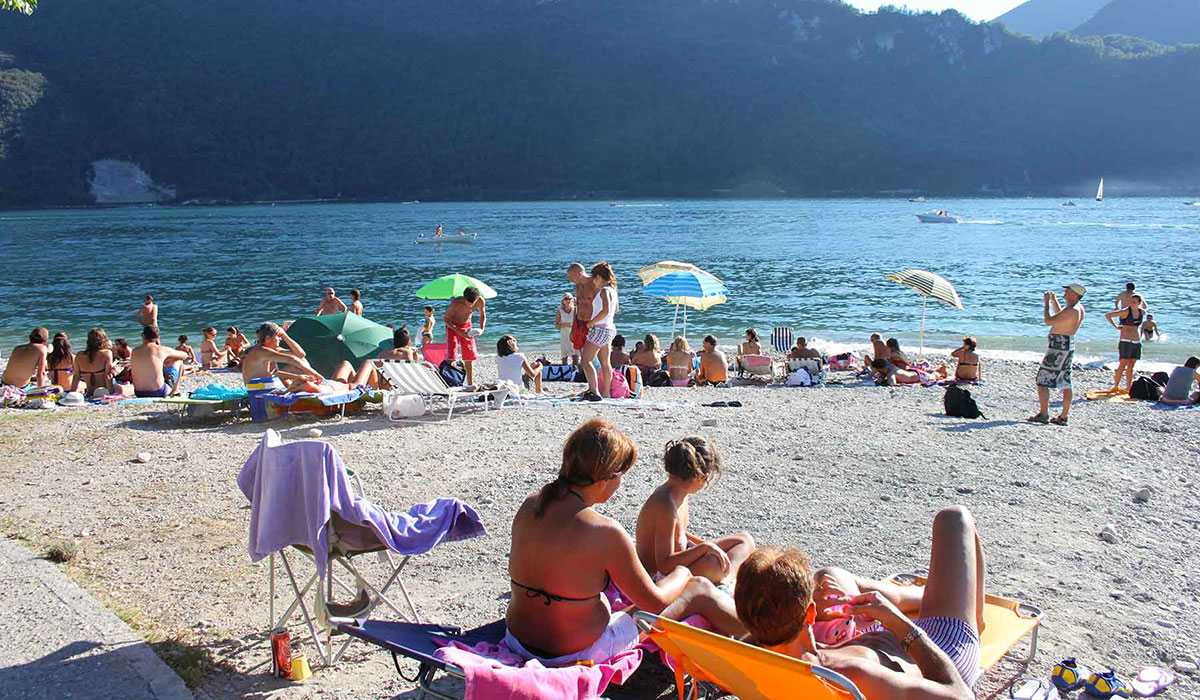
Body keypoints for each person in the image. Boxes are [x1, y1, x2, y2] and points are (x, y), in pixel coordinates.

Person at [504, 419, 744, 665]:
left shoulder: (531, 505)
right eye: (621, 476)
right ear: (605, 480)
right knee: (699, 589)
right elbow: (655, 601)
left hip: (517, 639)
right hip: (575, 652)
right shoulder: (605, 531)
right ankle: (761, 636)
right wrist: (683, 574)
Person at [734, 506, 987, 700]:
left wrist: (809, 616)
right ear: (809, 612)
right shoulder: (849, 675)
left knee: (831, 574)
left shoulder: (748, 657)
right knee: (954, 518)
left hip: (882, 641)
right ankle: (974, 617)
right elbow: (961, 696)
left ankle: (921, 596)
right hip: (944, 649)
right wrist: (900, 625)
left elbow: (765, 631)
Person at [636, 436, 754, 585]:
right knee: (713, 563)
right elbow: (664, 565)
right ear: (700, 477)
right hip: (659, 578)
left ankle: (725, 578)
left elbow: (678, 534)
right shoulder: (665, 504)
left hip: (681, 559)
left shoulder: (679, 493)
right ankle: (724, 581)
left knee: (745, 540)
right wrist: (705, 548)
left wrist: (707, 546)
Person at [1029, 284, 1086, 426]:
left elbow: (1049, 321)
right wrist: (1054, 301)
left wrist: (1046, 303)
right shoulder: (1076, 308)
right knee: (1066, 380)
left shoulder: (1072, 309)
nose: (1065, 292)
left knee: (1042, 379)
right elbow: (1061, 316)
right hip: (1067, 344)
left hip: (1058, 347)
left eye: (1067, 291)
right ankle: (1063, 416)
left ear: (1073, 294)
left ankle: (1044, 413)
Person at [581, 262, 618, 401]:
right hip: (609, 328)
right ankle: (606, 392)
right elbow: (613, 310)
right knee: (605, 361)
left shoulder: (604, 291)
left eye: (593, 278)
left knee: (586, 361)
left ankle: (594, 390)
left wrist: (592, 322)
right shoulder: (613, 290)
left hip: (600, 329)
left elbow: (606, 310)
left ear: (598, 277)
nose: (593, 282)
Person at [241, 322, 317, 387]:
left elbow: (301, 355)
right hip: (255, 387)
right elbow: (292, 359)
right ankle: (299, 388)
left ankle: (295, 388)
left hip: (266, 382)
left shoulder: (274, 349)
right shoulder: (260, 351)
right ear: (268, 339)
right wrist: (315, 374)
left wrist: (285, 336)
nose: (280, 339)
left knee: (301, 361)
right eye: (278, 336)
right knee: (296, 364)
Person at [443, 286, 486, 386]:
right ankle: (448, 382)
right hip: (453, 327)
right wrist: (459, 332)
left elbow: (482, 314)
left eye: (473, 302)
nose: (471, 305)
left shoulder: (480, 301)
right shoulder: (456, 303)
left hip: (467, 327)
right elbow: (446, 319)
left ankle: (470, 384)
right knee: (452, 356)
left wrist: (482, 328)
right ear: (464, 298)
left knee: (469, 357)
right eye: (468, 302)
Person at [131, 326, 189, 398]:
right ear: (158, 337)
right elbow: (185, 356)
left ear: (143, 336)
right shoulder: (161, 350)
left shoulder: (134, 351)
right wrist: (168, 358)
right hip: (158, 391)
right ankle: (175, 391)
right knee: (179, 361)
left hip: (139, 392)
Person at [1105, 293, 1144, 393]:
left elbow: (1145, 307)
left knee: (1131, 364)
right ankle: (1116, 386)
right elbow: (1108, 315)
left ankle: (1128, 387)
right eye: (1131, 301)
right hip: (1125, 340)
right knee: (1123, 363)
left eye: (1134, 302)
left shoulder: (1142, 312)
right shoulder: (1126, 311)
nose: (1132, 303)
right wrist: (1116, 326)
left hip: (1136, 341)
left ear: (1139, 303)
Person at [71, 328, 116, 397]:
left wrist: (71, 394)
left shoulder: (79, 355)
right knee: (124, 388)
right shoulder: (107, 353)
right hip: (103, 391)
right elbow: (108, 376)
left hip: (90, 392)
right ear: (103, 340)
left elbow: (76, 377)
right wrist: (111, 394)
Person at [567, 263, 596, 358]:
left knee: (592, 355)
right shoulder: (577, 286)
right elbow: (577, 306)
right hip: (579, 322)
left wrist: (594, 323)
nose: (570, 280)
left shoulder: (594, 284)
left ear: (579, 274)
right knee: (582, 355)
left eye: (571, 277)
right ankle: (584, 372)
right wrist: (573, 328)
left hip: (591, 323)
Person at [871, 358, 947, 386]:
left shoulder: (891, 373)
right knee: (929, 373)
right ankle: (938, 369)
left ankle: (939, 371)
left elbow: (892, 383)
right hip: (912, 372)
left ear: (881, 369)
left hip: (919, 376)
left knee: (934, 376)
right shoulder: (891, 366)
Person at [555, 293, 577, 366]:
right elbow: (556, 325)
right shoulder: (560, 311)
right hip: (564, 335)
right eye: (566, 299)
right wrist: (566, 325)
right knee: (564, 355)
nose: (568, 300)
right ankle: (565, 371)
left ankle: (575, 371)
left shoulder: (575, 310)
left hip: (574, 334)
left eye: (570, 298)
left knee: (575, 354)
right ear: (563, 301)